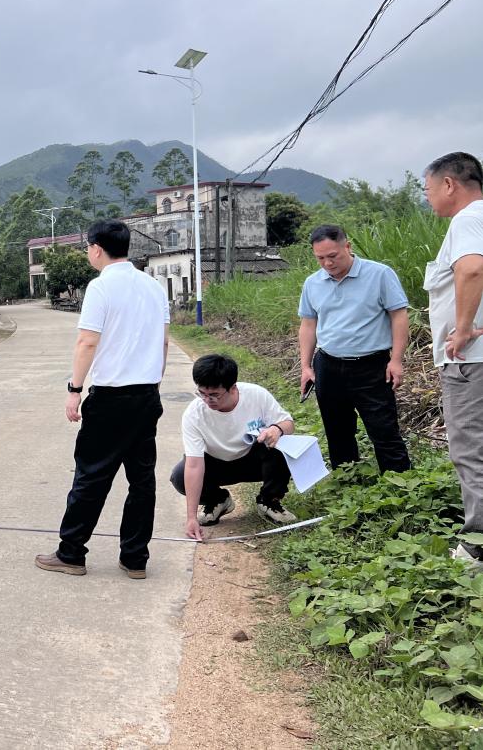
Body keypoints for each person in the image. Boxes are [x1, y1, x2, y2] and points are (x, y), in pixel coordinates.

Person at [36, 220, 169, 580]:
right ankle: (135, 558)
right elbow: (163, 342)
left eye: (88, 248)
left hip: (110, 398)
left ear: (96, 249)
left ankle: (71, 553)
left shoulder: (100, 287)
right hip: (147, 395)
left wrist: (74, 389)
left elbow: (87, 342)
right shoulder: (154, 287)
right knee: (142, 481)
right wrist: (154, 385)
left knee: (91, 477)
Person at [297, 224, 412, 473]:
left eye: (333, 256)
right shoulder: (312, 283)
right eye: (320, 258)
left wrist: (396, 360)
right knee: (337, 429)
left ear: (347, 247)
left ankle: (399, 483)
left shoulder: (379, 274)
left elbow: (399, 316)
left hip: (372, 365)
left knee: (383, 429)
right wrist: (305, 366)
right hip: (328, 364)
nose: (327, 263)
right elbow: (308, 324)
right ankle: (347, 480)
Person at [423, 151, 483, 569]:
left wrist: (460, 329)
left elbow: (472, 270)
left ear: (449, 184)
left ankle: (478, 545)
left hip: (470, 359)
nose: (428, 198)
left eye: (428, 190)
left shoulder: (467, 219)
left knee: (470, 449)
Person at [171, 354, 297, 540]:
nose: (207, 400)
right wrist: (191, 518)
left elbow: (288, 424)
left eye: (214, 395)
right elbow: (194, 465)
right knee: (180, 475)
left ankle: (269, 500)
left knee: (281, 443)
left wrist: (277, 429)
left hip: (253, 461)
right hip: (216, 464)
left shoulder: (256, 395)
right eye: (202, 393)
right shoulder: (194, 414)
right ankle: (218, 499)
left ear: (232, 388)